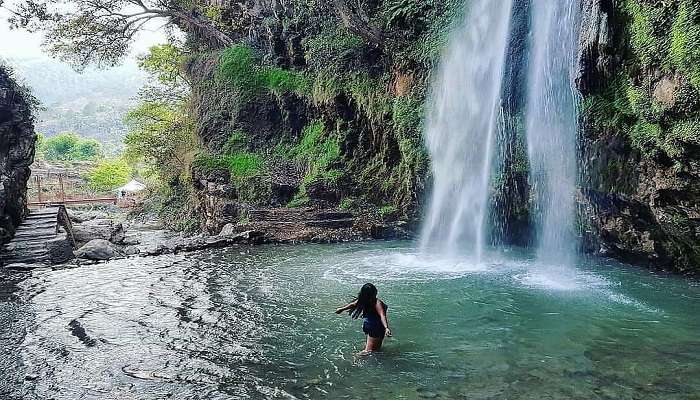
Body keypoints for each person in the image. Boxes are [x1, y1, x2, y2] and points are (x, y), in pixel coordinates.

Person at [335, 283, 392, 354]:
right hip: (376, 327)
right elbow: (382, 315)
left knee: (374, 347)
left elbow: (353, 304)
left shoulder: (363, 300)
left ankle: (366, 349)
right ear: (375, 292)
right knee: (369, 351)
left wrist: (341, 309)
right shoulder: (377, 302)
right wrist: (386, 327)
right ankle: (356, 358)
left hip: (368, 325)